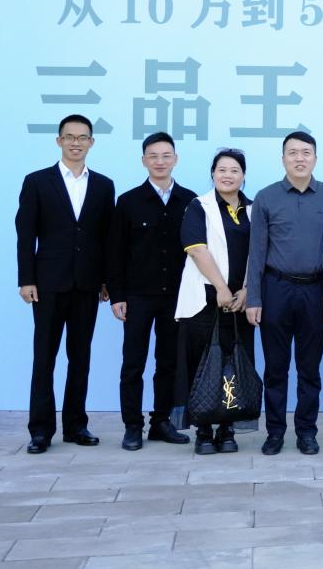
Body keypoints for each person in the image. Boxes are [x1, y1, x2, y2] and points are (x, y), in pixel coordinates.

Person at [15, 114, 115, 454]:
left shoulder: (103, 185)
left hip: (87, 283)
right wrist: (26, 279)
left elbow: (106, 237)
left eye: (82, 137)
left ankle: (76, 425)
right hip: (47, 283)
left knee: (80, 357)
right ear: (59, 141)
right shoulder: (37, 181)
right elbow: (25, 234)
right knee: (44, 357)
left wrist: (106, 280)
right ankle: (40, 430)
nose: (76, 143)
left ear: (91, 142)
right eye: (69, 137)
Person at [245, 132, 323, 456]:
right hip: (276, 289)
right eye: (293, 153)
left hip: (315, 289)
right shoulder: (266, 197)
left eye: (306, 152)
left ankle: (307, 432)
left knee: (309, 369)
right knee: (275, 368)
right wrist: (254, 298)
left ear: (315, 158)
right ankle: (275, 433)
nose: (300, 158)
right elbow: (256, 253)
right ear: (283, 158)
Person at [108, 132, 197, 450]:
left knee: (169, 362)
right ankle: (132, 426)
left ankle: (161, 422)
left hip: (176, 297)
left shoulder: (190, 201)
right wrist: (117, 295)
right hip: (137, 296)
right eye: (153, 156)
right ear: (144, 160)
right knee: (133, 363)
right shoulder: (128, 202)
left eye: (166, 155)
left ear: (176, 159)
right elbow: (115, 252)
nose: (160, 161)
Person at [176, 148, 255, 455]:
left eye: (234, 170)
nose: (227, 175)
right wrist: (221, 287)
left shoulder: (253, 208)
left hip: (240, 301)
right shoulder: (199, 206)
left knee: (234, 363)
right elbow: (197, 249)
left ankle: (227, 427)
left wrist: (246, 290)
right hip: (206, 298)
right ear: (212, 174)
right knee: (203, 364)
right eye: (222, 170)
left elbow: (259, 252)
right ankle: (204, 430)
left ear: (243, 176)